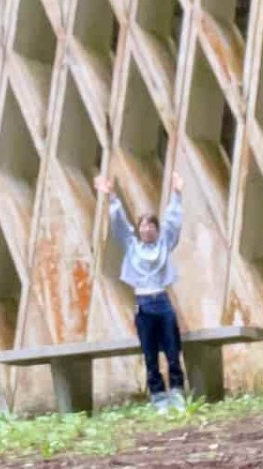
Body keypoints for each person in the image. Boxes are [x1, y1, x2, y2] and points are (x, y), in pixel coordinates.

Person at [93, 170, 187, 412]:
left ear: (156, 230)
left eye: (150, 226)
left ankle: (177, 392)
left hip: (162, 301)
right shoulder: (132, 247)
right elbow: (120, 225)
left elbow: (173, 222)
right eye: (143, 226)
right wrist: (111, 196)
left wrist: (177, 192)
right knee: (150, 354)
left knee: (172, 349)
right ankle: (158, 396)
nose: (146, 230)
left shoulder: (164, 244)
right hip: (144, 304)